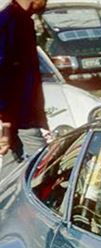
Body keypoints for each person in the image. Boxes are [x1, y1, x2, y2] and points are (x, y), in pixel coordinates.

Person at [0, 0, 50, 172]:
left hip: (22, 113)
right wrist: (7, 121)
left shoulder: (20, 20)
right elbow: (3, 72)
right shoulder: (10, 22)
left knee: (13, 168)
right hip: (20, 115)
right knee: (44, 167)